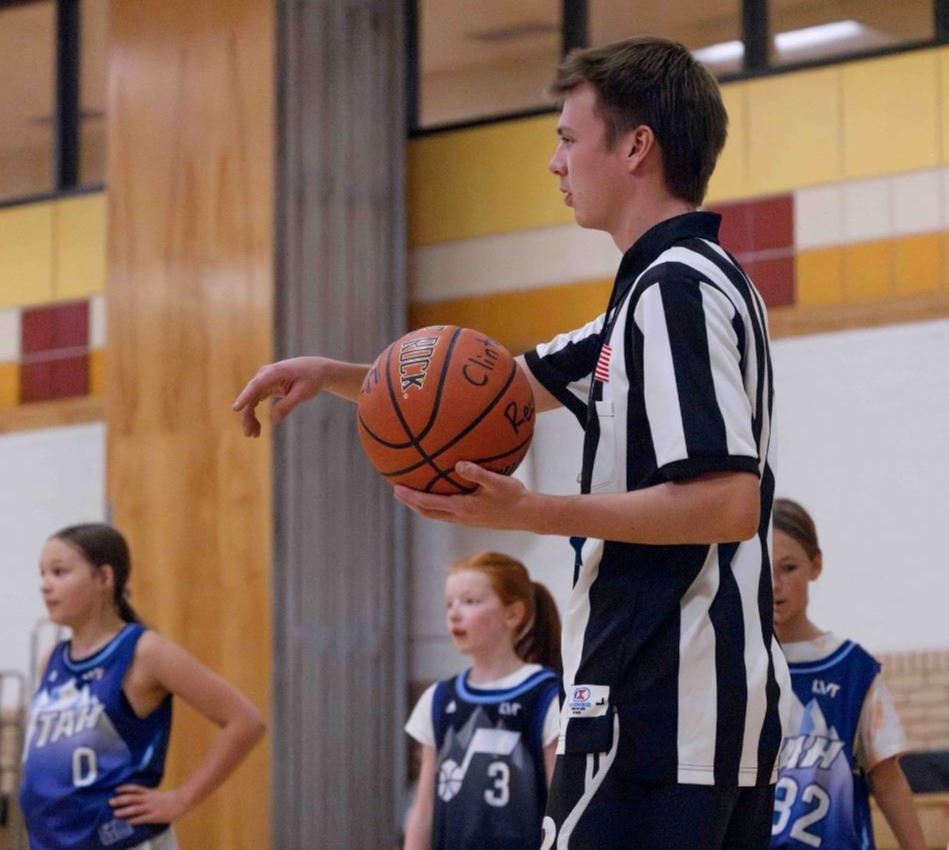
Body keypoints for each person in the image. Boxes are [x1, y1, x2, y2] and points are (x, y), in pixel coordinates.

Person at [234, 36, 789, 849]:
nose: (555, 163)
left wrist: (529, 510)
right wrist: (338, 376)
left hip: (655, 700)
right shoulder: (684, 286)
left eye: (568, 138)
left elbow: (727, 501)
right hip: (706, 709)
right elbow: (499, 386)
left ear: (635, 147)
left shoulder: (669, 293)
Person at [19, 523, 266, 850]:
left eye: (59, 572)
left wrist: (181, 800)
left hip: (121, 841)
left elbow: (245, 721)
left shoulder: (144, 652)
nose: (45, 585)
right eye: (43, 573)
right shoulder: (52, 659)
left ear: (104, 578)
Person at [770, 499, 925, 850]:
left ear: (815, 565)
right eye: (763, 571)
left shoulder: (852, 669)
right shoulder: (737, 667)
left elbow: (886, 777)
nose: (775, 584)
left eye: (789, 567)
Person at [403, 552, 561, 850]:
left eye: (470, 601)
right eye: (449, 603)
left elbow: (563, 805)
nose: (454, 613)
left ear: (513, 614)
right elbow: (423, 811)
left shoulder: (545, 696)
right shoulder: (437, 699)